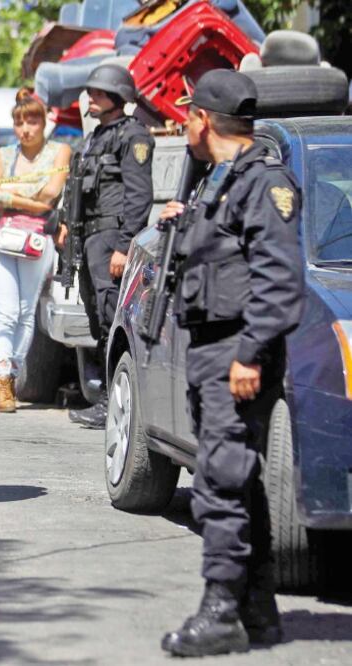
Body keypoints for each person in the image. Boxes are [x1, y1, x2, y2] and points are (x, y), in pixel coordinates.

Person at [160, 70, 304, 658]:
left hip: (237, 353)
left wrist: (249, 354)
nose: (182, 125)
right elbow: (225, 252)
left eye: (186, 116)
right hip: (213, 350)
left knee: (219, 480)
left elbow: (280, 279)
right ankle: (258, 608)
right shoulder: (222, 179)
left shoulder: (263, 182)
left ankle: (220, 611)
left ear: (202, 121)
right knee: (237, 476)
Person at [64, 64, 154, 429]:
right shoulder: (96, 137)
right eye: (91, 94)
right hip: (90, 239)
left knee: (110, 318)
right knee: (97, 319)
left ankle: (112, 402)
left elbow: (138, 196)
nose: (92, 100)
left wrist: (123, 246)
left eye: (99, 94)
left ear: (118, 98)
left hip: (110, 240)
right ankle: (105, 396)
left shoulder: (133, 137)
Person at [0, 89, 71, 412]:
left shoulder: (60, 151)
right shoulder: (1, 155)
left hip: (37, 239)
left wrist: (11, 191)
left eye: (32, 121)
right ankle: (2, 377)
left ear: (43, 123)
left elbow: (51, 194)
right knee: (5, 310)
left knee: (25, 309)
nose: (25, 129)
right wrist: (29, 199)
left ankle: (14, 369)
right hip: (4, 235)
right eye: (19, 122)